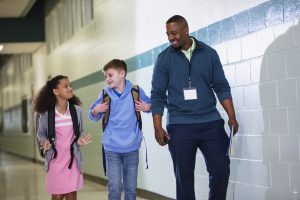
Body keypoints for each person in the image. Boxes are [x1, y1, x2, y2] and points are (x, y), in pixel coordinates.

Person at [151, 15, 239, 200]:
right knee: (184, 178)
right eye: (167, 34)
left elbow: (221, 86)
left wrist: (232, 116)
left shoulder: (209, 53)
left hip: (211, 122)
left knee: (221, 169)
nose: (170, 38)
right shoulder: (163, 59)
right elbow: (157, 94)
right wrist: (157, 126)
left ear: (185, 30)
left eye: (174, 33)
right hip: (180, 125)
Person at [88, 59, 151, 200]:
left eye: (110, 75)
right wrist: (95, 111)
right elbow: (92, 115)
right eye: (106, 77)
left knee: (130, 189)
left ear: (122, 74)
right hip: (112, 148)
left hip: (132, 148)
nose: (107, 79)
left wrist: (147, 108)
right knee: (114, 187)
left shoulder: (136, 91)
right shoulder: (104, 94)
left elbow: (150, 104)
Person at [34, 75, 92, 200]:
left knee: (72, 196)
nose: (70, 88)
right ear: (55, 91)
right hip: (55, 161)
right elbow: (41, 133)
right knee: (57, 196)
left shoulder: (76, 110)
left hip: (73, 160)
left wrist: (80, 139)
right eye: (65, 86)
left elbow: (79, 131)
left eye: (70, 86)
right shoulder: (46, 113)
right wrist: (45, 142)